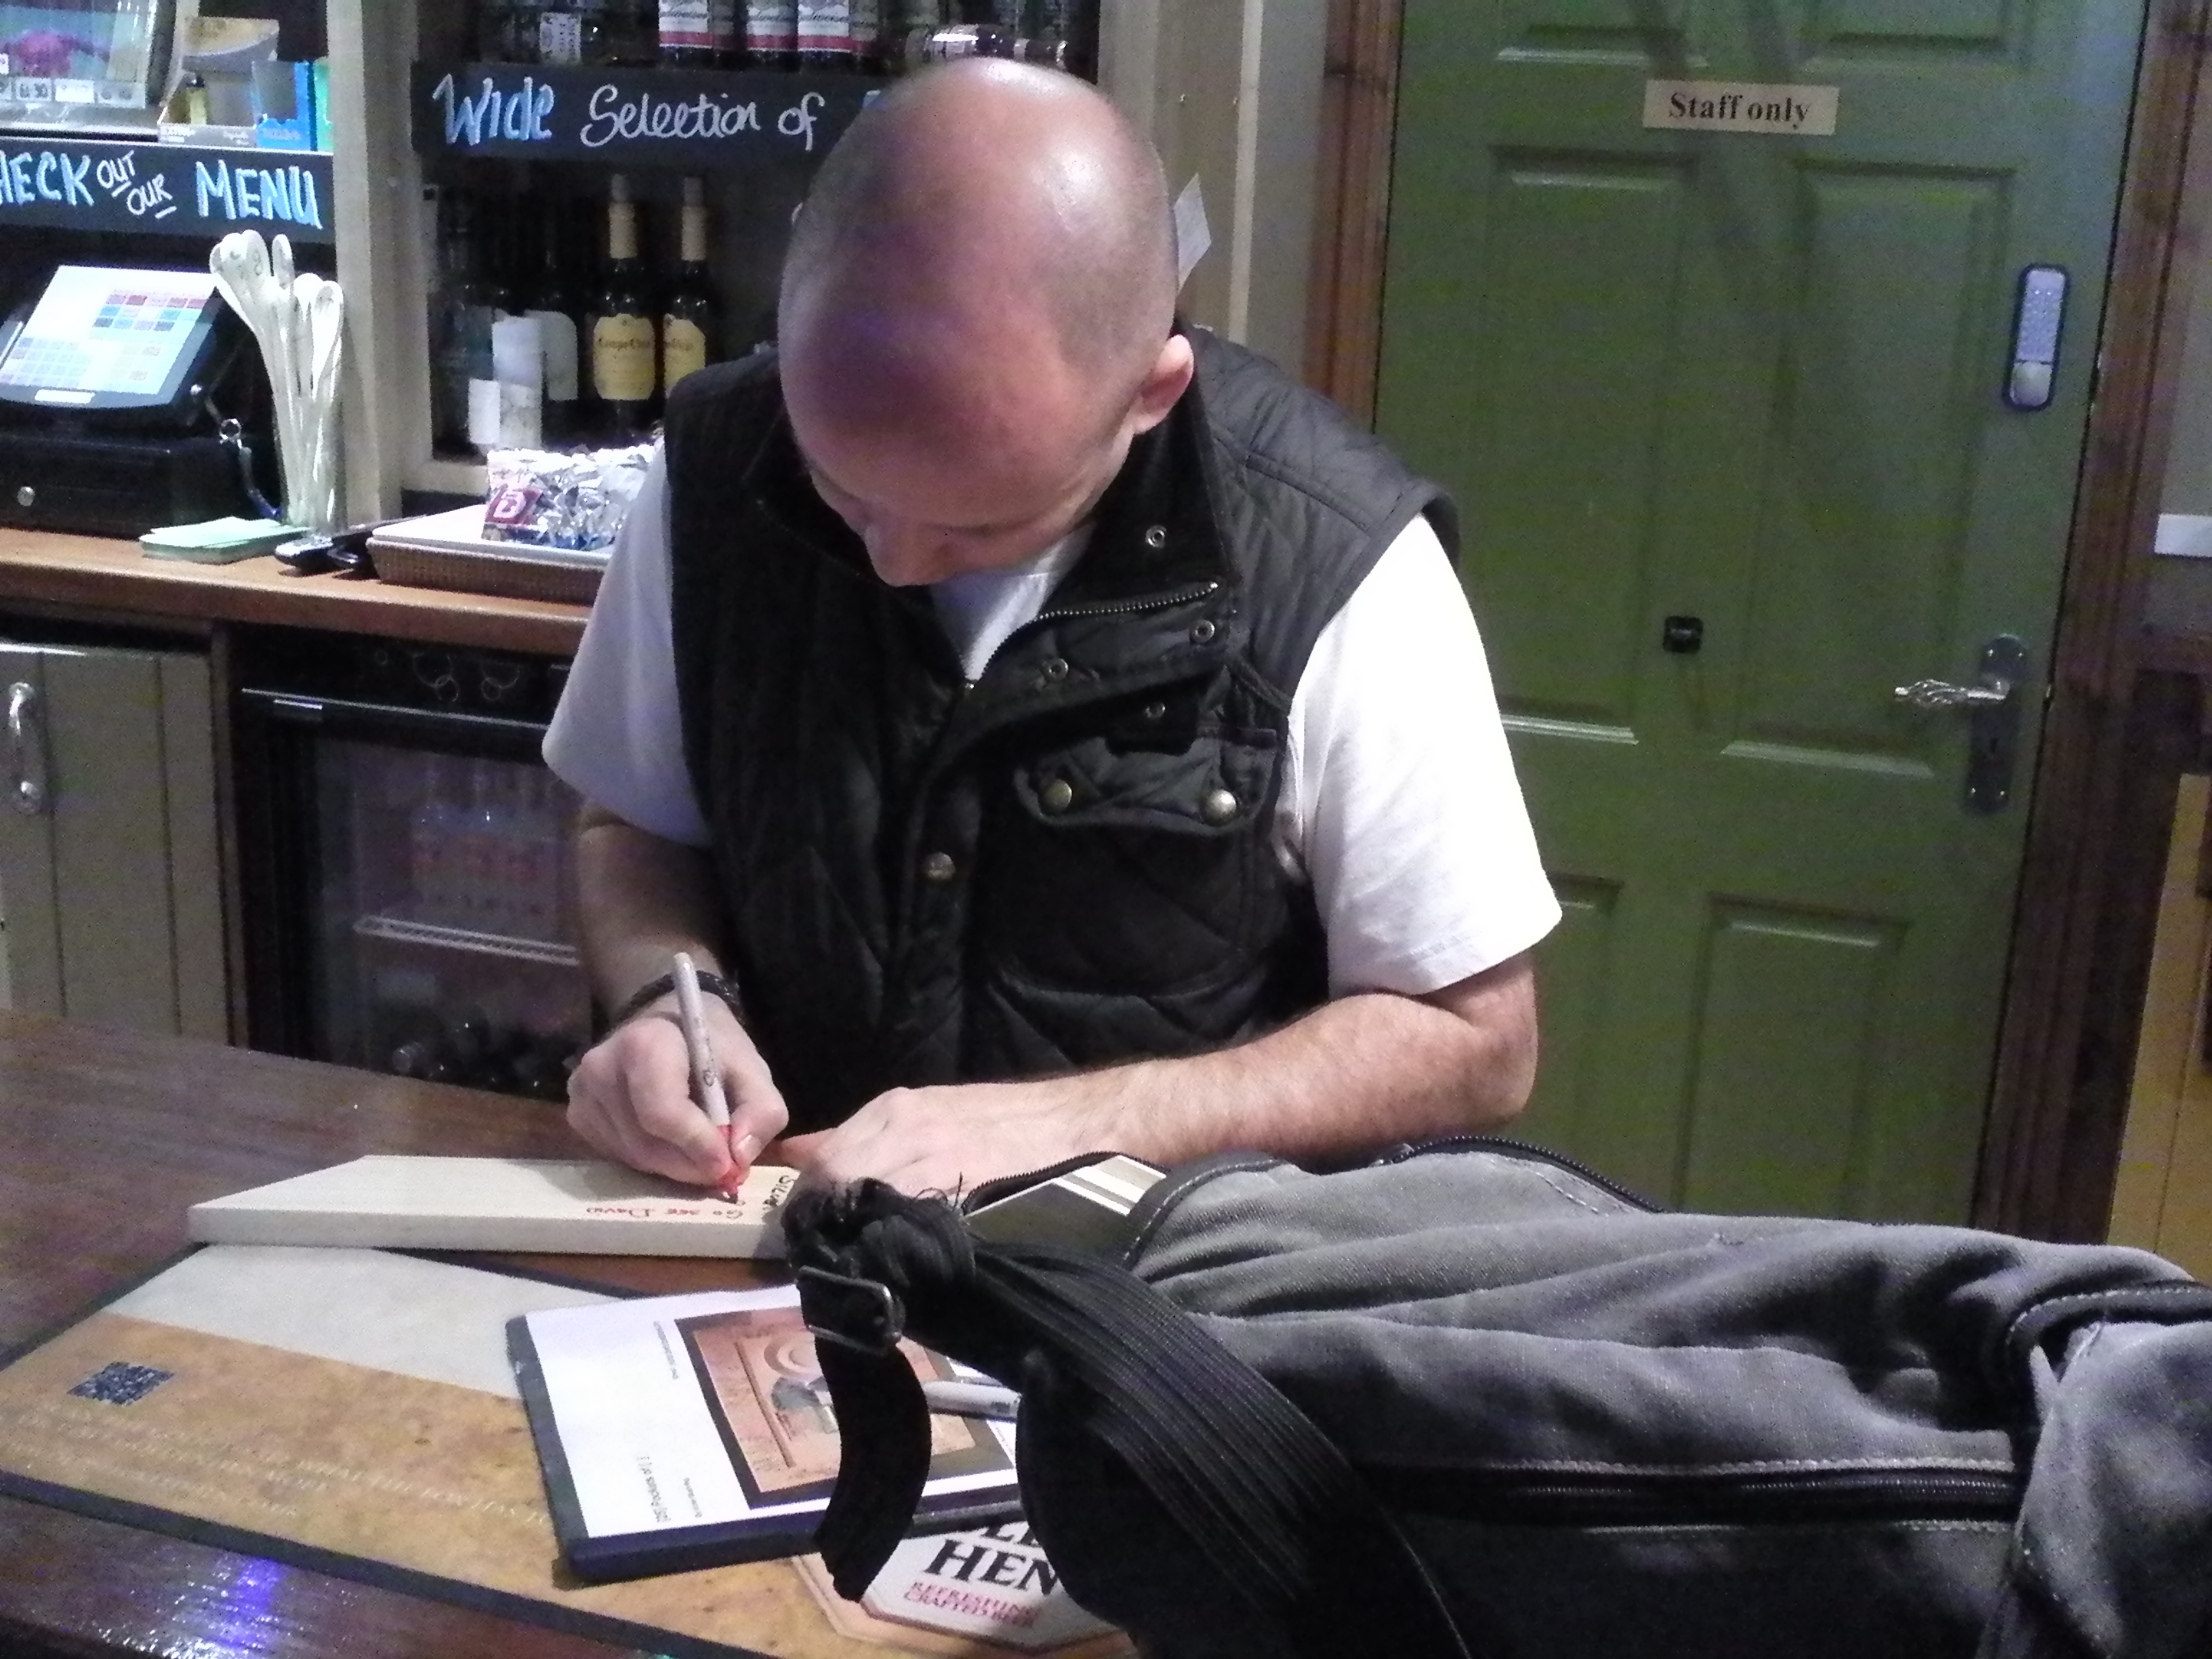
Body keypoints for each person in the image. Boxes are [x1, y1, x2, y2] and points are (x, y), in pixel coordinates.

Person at [544, 59, 1560, 1197]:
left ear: (1151, 394)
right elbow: (631, 828)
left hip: (1164, 1285)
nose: (894, 561)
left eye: (981, 523)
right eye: (841, 491)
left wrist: (1077, 1121)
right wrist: (662, 997)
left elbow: (1475, 1042)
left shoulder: (1335, 558)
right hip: (782, 1247)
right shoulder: (716, 470)